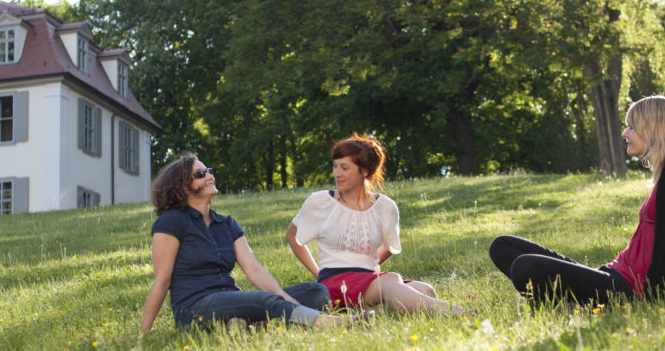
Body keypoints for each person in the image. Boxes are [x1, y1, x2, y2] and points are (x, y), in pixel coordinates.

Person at [488, 95, 665, 306]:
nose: (625, 133)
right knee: (502, 246)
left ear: (652, 128)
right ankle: (565, 304)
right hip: (611, 275)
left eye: (632, 127)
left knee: (525, 266)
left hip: (629, 291)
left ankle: (563, 305)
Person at [140, 155, 363, 335]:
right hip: (194, 308)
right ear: (182, 188)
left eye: (209, 171)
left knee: (316, 292)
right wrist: (143, 333)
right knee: (263, 300)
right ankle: (326, 323)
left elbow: (253, 269)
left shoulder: (226, 224)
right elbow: (162, 280)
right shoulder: (172, 221)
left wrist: (282, 296)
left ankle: (242, 324)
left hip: (232, 298)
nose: (209, 176)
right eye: (200, 174)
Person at [287, 134, 468, 315]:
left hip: (368, 278)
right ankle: (458, 313)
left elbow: (390, 246)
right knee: (390, 281)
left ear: (364, 171)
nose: (336, 173)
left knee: (425, 290)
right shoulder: (320, 201)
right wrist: (317, 273)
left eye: (344, 167)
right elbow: (293, 237)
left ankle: (371, 308)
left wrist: (366, 264)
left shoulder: (386, 206)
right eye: (335, 166)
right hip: (334, 282)